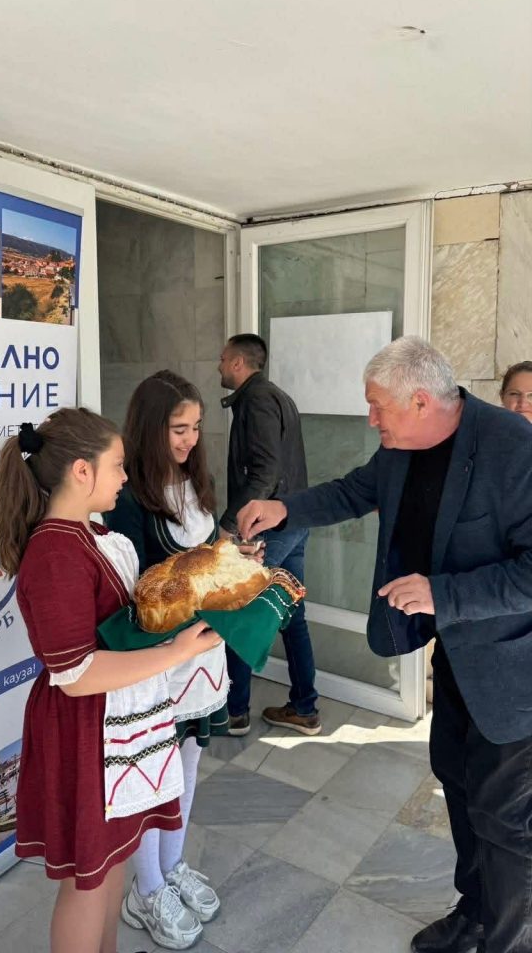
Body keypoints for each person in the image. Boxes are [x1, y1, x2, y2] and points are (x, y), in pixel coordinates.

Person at [237, 336, 532, 953]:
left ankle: (507, 938)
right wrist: (282, 509)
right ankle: (475, 913)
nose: (371, 419)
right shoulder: (402, 447)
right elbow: (353, 491)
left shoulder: (514, 447)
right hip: (455, 656)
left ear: (421, 401)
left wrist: (442, 594)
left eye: (378, 406)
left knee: (503, 816)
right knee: (458, 782)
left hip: (513, 667)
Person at [0, 408, 221, 953]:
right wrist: (175, 651)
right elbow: (74, 673)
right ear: (81, 471)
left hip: (115, 724)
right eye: (117, 465)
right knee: (86, 881)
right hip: (84, 729)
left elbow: (122, 623)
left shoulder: (91, 534)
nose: (124, 477)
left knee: (114, 860)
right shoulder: (56, 552)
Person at [106, 371, 231, 950]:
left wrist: (232, 558)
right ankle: (147, 889)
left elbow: (207, 556)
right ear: (150, 428)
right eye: (179, 429)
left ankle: (172, 865)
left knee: (188, 761)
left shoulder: (196, 480)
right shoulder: (128, 497)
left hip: (202, 657)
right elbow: (135, 591)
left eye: (196, 427)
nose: (190, 439)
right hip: (158, 661)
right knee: (150, 774)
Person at [218, 333, 320, 737]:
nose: (219, 365)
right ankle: (305, 708)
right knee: (293, 616)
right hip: (293, 521)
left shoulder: (257, 400)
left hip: (268, 527)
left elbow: (265, 471)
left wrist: (230, 524)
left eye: (223, 359)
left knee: (239, 612)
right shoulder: (277, 397)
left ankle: (235, 713)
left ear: (238, 363)